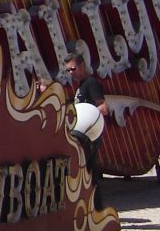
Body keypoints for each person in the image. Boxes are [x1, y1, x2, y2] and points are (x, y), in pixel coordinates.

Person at [64, 52, 107, 210]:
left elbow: (102, 107)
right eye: (68, 70)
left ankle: (97, 210)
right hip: (83, 136)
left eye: (72, 69)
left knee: (89, 173)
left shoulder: (91, 83)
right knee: (87, 173)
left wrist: (90, 119)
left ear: (82, 66)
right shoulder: (81, 86)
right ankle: (94, 209)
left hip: (90, 136)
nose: (70, 73)